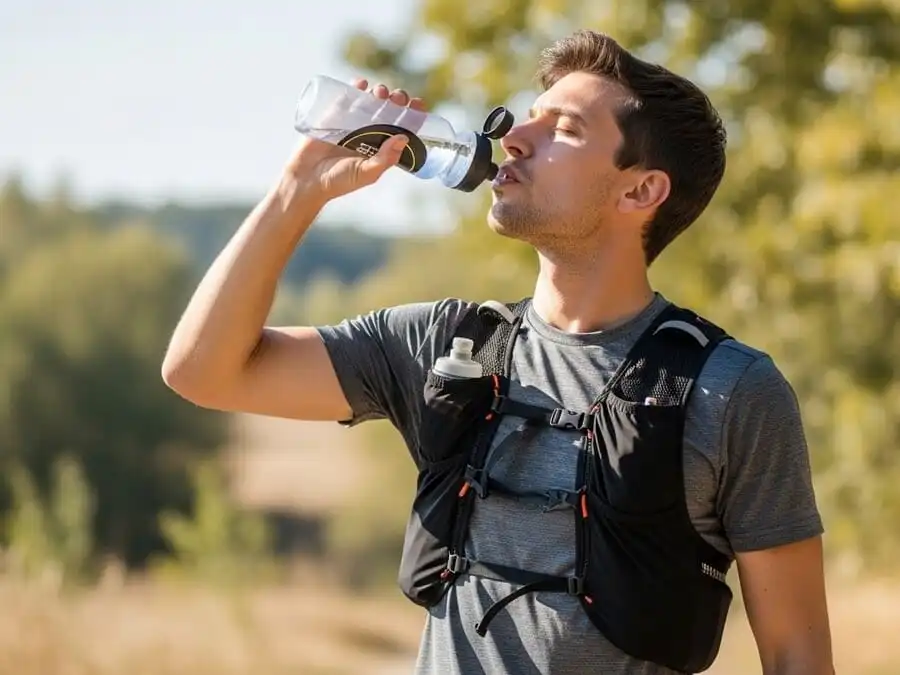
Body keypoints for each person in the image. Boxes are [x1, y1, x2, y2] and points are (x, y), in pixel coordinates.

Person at [162, 29, 835, 675]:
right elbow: (201, 370)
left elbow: (798, 657)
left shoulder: (733, 390)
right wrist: (297, 189)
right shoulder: (439, 344)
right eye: (529, 116)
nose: (513, 137)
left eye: (563, 129)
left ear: (640, 190)